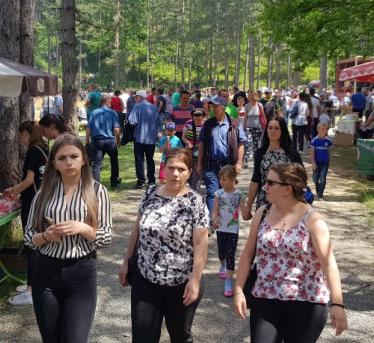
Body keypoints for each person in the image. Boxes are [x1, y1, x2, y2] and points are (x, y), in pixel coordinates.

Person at [233, 162, 348, 340]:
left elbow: (329, 264)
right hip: (265, 298)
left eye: (271, 183)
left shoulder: (313, 220)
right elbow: (248, 255)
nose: (265, 187)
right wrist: (239, 290)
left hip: (306, 301)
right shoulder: (263, 213)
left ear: (288, 188)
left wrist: (337, 304)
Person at [23, 134, 113, 342]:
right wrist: (45, 236)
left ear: (84, 159)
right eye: (62, 158)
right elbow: (28, 237)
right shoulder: (43, 193)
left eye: (74, 156)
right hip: (45, 272)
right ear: (54, 163)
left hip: (81, 272)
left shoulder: (97, 191)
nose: (69, 163)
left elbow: (106, 238)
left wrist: (83, 228)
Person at [118, 147, 208, 343]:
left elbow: (201, 245)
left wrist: (195, 279)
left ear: (189, 172)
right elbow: (136, 230)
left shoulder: (196, 202)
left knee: (180, 336)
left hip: (181, 282)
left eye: (181, 169)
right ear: (164, 168)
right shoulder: (150, 193)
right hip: (145, 277)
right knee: (142, 336)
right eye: (171, 168)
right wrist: (126, 262)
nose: (175, 174)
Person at [2, 121, 49, 306]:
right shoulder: (44, 148)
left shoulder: (32, 151)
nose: (20, 139)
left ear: (26, 134)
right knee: (39, 244)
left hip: (33, 203)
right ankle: (37, 283)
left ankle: (31, 290)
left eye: (20, 135)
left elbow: (29, 180)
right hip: (43, 200)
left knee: (31, 244)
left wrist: (14, 190)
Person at [243, 118, 302, 218]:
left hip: (286, 201)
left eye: (276, 128)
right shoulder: (260, 153)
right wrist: (248, 205)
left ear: (282, 131)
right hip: (264, 202)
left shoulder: (292, 154)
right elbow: (256, 180)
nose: (273, 131)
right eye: (270, 128)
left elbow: (300, 179)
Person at [196, 96, 246, 216]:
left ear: (223, 108)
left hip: (228, 166)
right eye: (212, 106)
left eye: (216, 107)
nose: (213, 109)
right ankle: (213, 220)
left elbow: (241, 144)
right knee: (212, 194)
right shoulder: (208, 124)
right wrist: (199, 164)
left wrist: (239, 162)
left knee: (226, 193)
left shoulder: (234, 124)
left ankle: (226, 220)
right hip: (211, 165)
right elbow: (202, 144)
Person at [212, 165, 245, 297]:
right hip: (221, 228)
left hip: (232, 229)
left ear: (233, 179)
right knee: (222, 253)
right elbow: (215, 209)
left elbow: (245, 212)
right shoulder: (218, 194)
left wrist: (248, 213)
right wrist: (214, 219)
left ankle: (229, 281)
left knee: (230, 254)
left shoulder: (239, 194)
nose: (221, 181)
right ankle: (222, 265)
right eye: (220, 178)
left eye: (224, 179)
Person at [86, 94, 122, 187]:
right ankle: (114, 180)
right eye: (110, 102)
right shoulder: (112, 113)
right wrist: (118, 139)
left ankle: (96, 184)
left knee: (97, 163)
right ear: (107, 102)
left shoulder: (94, 112)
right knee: (114, 161)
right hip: (110, 140)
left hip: (97, 140)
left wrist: (87, 140)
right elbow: (116, 129)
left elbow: (89, 128)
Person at [127, 90, 160, 189]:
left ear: (140, 98)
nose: (135, 99)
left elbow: (132, 121)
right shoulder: (154, 107)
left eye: (136, 97)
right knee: (150, 159)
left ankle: (141, 181)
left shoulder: (137, 107)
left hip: (139, 137)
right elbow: (159, 122)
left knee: (139, 160)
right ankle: (151, 180)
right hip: (151, 138)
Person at [182, 108, 205, 192]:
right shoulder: (188, 123)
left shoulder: (205, 125)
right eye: (195, 119)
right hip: (189, 150)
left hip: (200, 150)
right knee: (188, 171)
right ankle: (190, 189)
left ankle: (196, 192)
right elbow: (183, 137)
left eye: (199, 120)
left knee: (197, 172)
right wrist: (188, 143)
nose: (197, 122)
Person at [242, 91, 266, 169]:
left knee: (256, 144)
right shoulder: (247, 106)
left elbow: (263, 116)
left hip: (257, 127)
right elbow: (245, 117)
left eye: (249, 95)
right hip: (248, 127)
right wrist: (243, 128)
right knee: (248, 143)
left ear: (253, 97)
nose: (248, 97)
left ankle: (256, 160)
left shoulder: (259, 105)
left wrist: (266, 126)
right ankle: (246, 161)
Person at [310, 122, 332, 202]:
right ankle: (317, 188)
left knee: (322, 178)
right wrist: (313, 162)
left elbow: (328, 151)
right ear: (318, 130)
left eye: (325, 129)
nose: (324, 131)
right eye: (322, 129)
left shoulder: (328, 141)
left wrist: (328, 160)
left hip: (324, 163)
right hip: (316, 163)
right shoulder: (315, 140)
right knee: (315, 179)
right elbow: (312, 152)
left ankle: (320, 194)